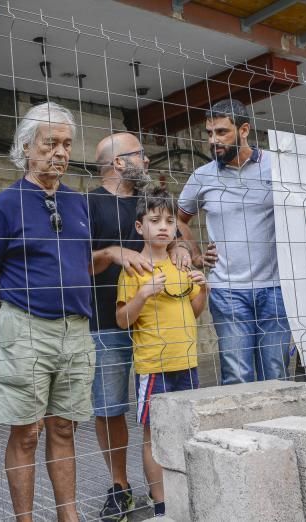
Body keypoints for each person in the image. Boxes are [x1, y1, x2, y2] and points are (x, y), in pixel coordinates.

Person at [0, 102, 94, 522]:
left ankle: (68, 516)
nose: (60, 152)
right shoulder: (2, 207)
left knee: (64, 427)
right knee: (26, 431)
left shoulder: (79, 205)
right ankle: (25, 519)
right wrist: (29, 295)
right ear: (26, 147)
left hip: (76, 331)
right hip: (26, 329)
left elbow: (78, 264)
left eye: (66, 144)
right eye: (50, 143)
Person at [89, 132, 193, 522]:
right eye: (139, 155)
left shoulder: (152, 200)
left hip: (164, 326)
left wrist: (183, 246)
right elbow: (76, 265)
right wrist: (110, 252)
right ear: (118, 162)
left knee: (162, 411)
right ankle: (120, 487)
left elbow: (183, 239)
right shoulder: (88, 204)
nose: (147, 161)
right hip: (108, 321)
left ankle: (162, 491)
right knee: (111, 407)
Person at [177, 99, 291, 385]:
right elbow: (178, 219)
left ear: (243, 130)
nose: (213, 140)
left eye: (221, 132)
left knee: (275, 375)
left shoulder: (276, 167)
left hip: (276, 289)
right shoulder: (202, 176)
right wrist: (195, 255)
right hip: (227, 291)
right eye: (209, 133)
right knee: (237, 378)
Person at [115, 188, 207, 519]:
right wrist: (142, 294)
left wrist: (203, 286)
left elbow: (194, 311)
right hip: (154, 365)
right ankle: (161, 502)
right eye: (155, 221)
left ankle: (187, 492)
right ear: (140, 227)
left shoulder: (180, 264)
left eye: (170, 221)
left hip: (187, 361)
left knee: (186, 431)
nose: (164, 227)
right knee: (154, 435)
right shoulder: (133, 271)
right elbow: (123, 319)